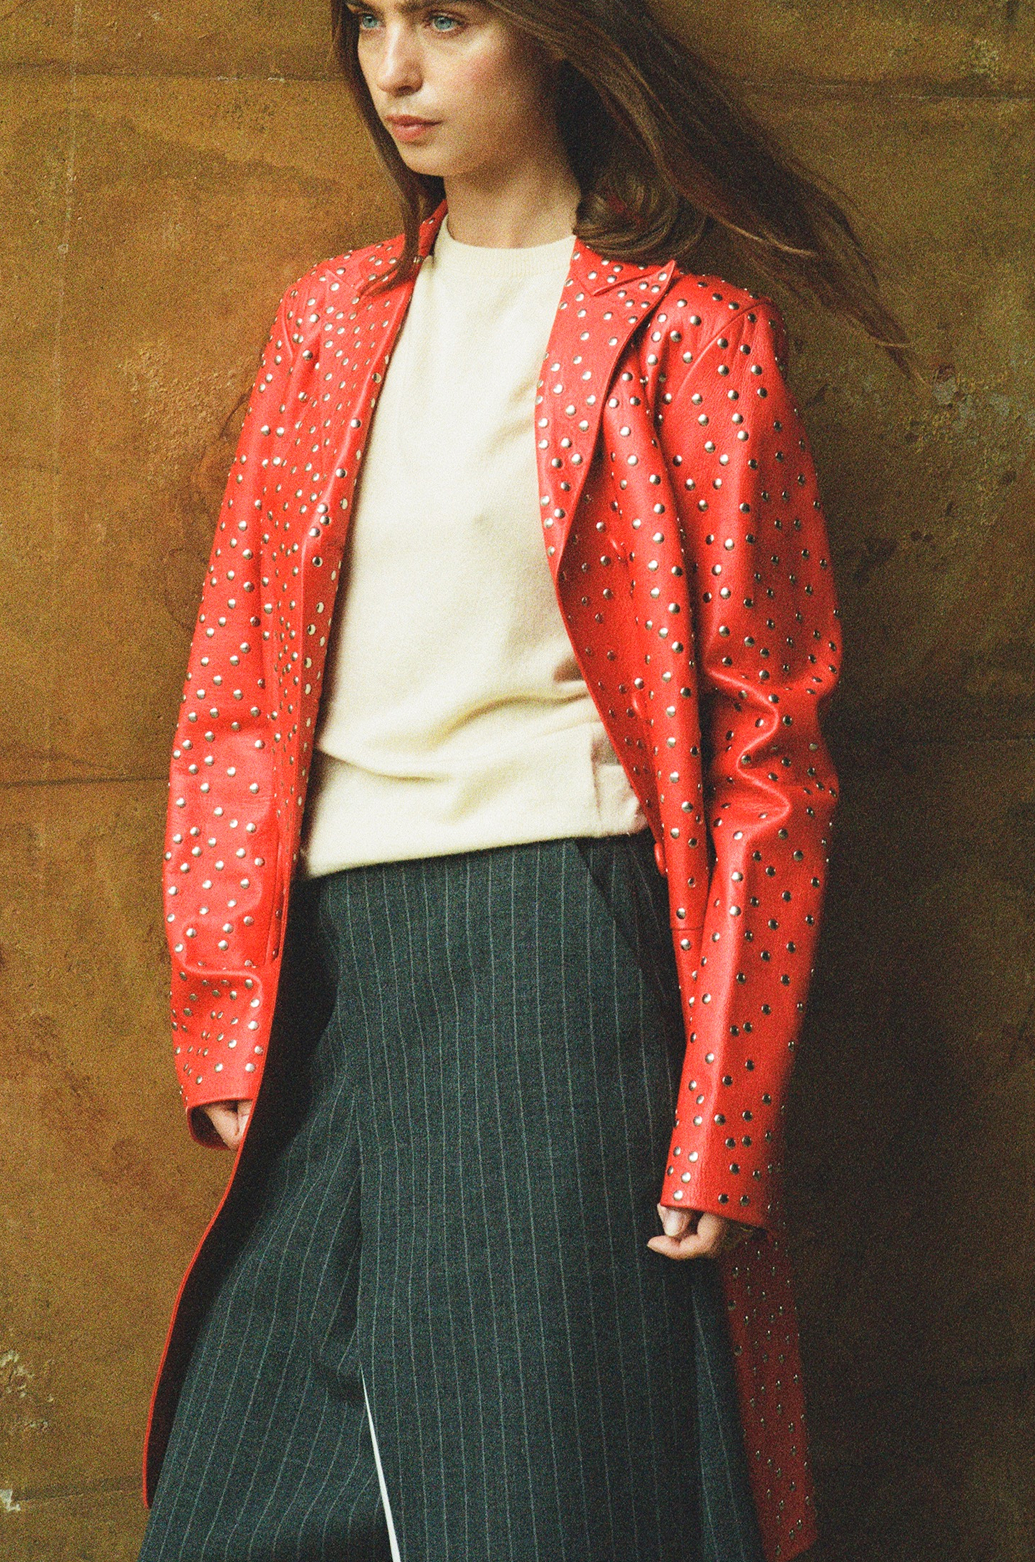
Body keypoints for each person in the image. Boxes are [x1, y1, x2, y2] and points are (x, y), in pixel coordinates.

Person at [137, 4, 909, 1560]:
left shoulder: (688, 337)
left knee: (530, 1501)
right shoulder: (329, 323)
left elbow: (769, 757)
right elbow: (233, 687)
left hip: (554, 962)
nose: (392, 68)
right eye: (368, 19)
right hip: (327, 981)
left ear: (557, 39)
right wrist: (227, 994)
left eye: (448, 19)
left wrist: (723, 1112)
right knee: (234, 1503)